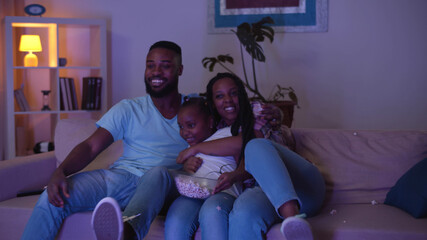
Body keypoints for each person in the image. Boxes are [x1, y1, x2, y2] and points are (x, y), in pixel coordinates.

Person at [21, 40, 191, 240]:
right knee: (54, 197)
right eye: (150, 65)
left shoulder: (196, 110)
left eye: (165, 65)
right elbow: (91, 146)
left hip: (166, 183)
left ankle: (126, 233)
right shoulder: (129, 109)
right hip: (124, 178)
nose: (156, 72)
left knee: (157, 173)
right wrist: (60, 172)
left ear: (179, 70)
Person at [176, 72, 325, 240]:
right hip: (265, 194)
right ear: (212, 103)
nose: (228, 100)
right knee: (242, 213)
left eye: (234, 93)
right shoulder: (218, 128)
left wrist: (193, 149)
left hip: (301, 185)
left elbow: (249, 144)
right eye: (219, 96)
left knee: (255, 145)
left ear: (243, 95)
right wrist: (190, 161)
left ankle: (293, 220)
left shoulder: (258, 111)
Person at [164, 97, 243, 240]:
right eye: (181, 127)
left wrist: (194, 150)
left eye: (191, 125)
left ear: (210, 122)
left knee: (212, 211)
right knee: (176, 216)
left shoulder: (227, 133)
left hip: (223, 192)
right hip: (194, 194)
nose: (185, 132)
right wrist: (187, 167)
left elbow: (241, 145)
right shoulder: (190, 147)